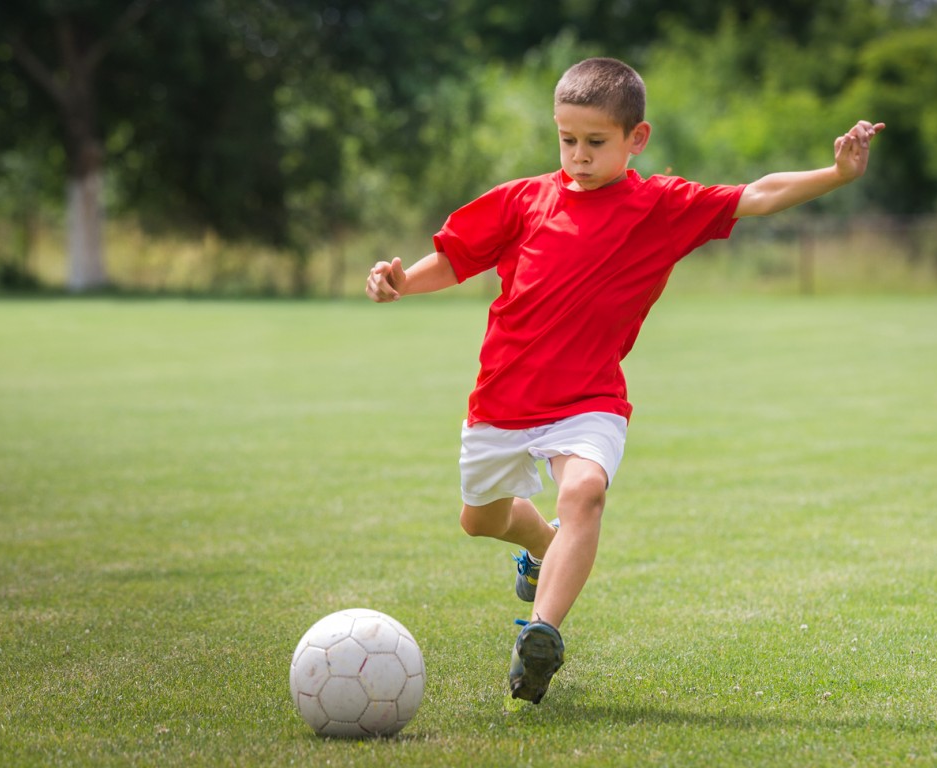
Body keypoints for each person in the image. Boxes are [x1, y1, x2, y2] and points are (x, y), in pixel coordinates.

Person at [366, 57, 883, 705]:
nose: (578, 156)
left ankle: (541, 637)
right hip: (502, 398)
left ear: (636, 139)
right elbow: (454, 258)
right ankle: (539, 549)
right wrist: (402, 282)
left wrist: (836, 173)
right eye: (567, 139)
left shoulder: (658, 206)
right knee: (479, 520)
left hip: (589, 400)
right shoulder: (525, 200)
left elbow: (756, 194)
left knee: (584, 491)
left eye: (595, 142)